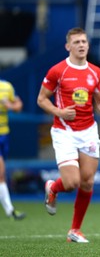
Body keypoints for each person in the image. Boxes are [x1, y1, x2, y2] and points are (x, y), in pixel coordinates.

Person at [37, 27, 100, 243]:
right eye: (76, 42)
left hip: (88, 130)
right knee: (71, 183)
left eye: (84, 41)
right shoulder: (57, 71)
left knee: (87, 182)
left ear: (88, 45)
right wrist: (59, 112)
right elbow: (41, 99)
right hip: (64, 132)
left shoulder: (96, 72)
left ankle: (74, 230)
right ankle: (54, 187)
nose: (81, 45)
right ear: (68, 46)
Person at [0, 79, 25, 221]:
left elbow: (19, 105)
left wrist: (10, 105)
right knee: (1, 174)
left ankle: (10, 211)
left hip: (4, 135)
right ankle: (10, 210)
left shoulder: (6, 86)